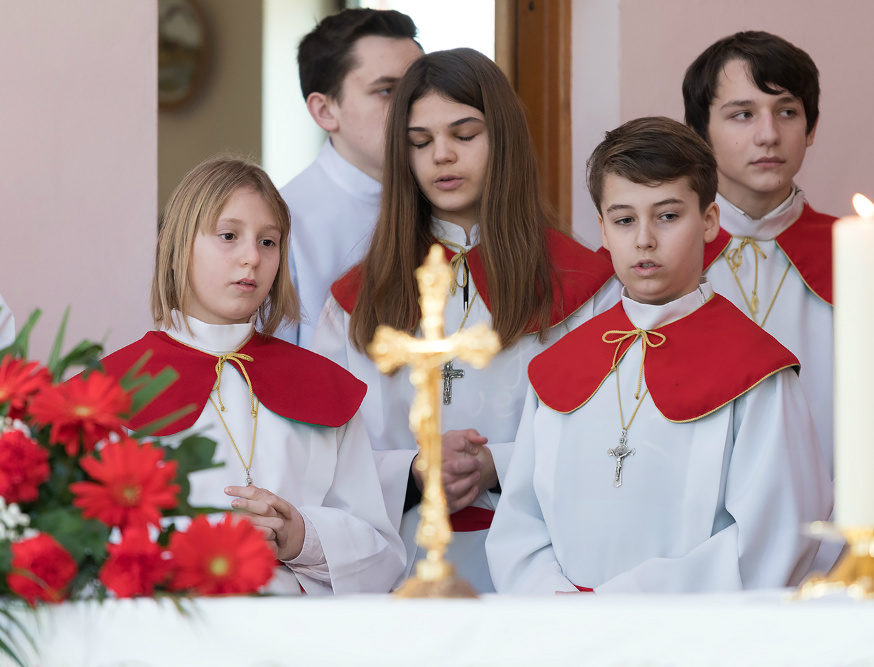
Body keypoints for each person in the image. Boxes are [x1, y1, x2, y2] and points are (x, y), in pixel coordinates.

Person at [310, 48, 620, 593]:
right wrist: (412, 469)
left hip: (544, 568)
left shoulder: (581, 286)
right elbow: (321, 455)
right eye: (420, 142)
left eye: (465, 134)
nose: (442, 156)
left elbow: (614, 437)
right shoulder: (358, 301)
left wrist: (497, 463)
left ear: (504, 138)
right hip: (400, 568)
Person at [486, 117, 831, 593]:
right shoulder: (558, 367)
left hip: (686, 627)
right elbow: (519, 525)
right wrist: (554, 602)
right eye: (624, 220)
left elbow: (774, 539)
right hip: (560, 626)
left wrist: (623, 606)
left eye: (667, 216)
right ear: (603, 230)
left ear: (709, 221)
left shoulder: (757, 373)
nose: (644, 239)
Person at [100, 157, 405, 595]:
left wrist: (299, 536)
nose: (252, 258)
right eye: (229, 236)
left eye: (268, 242)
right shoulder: (111, 390)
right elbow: (87, 546)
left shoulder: (322, 385)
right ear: (173, 247)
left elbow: (382, 558)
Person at [682, 31, 837, 480]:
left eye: (787, 112)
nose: (769, 135)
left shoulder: (860, 256)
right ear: (699, 132)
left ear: (811, 128)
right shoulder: (659, 259)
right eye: (743, 114)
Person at [276, 9, 423, 348]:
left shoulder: (452, 200)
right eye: (387, 90)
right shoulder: (283, 222)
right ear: (325, 111)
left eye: (419, 87)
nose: (413, 105)